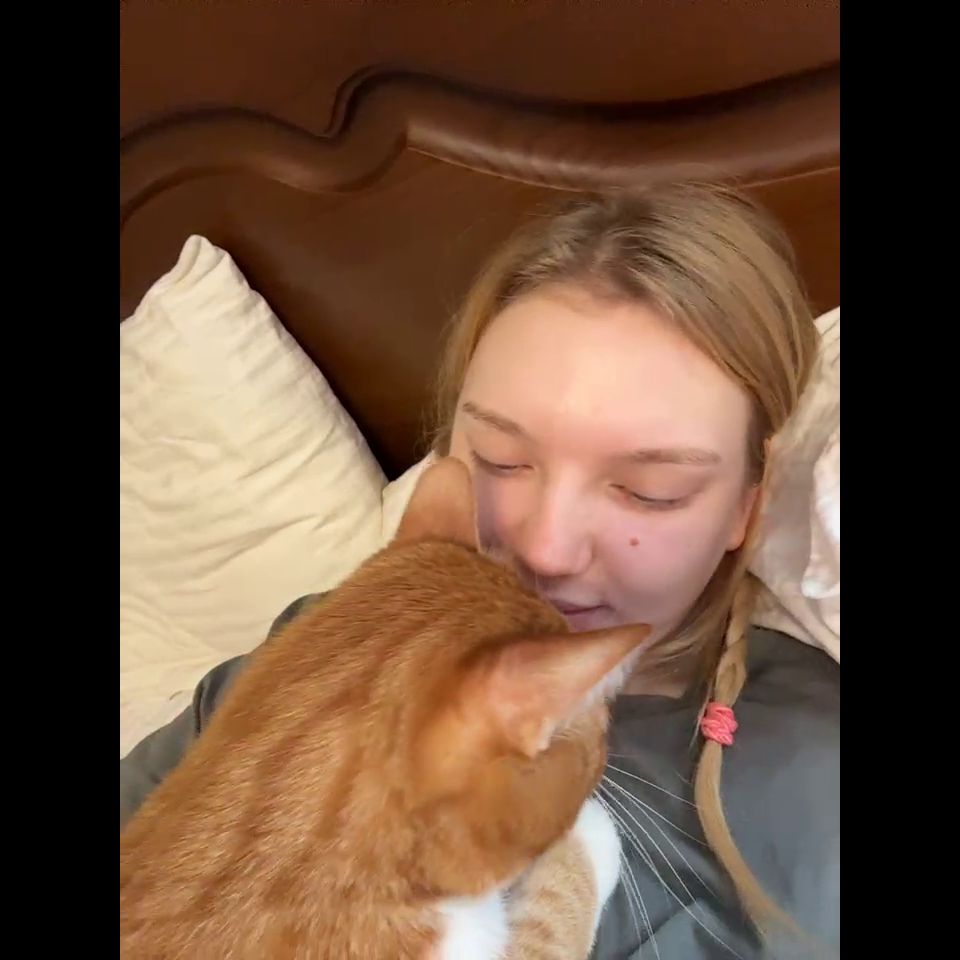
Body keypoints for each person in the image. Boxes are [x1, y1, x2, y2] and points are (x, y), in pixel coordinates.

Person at [120, 182, 839, 958]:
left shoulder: (809, 787)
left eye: (648, 489)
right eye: (499, 459)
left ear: (747, 505)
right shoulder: (330, 644)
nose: (547, 551)